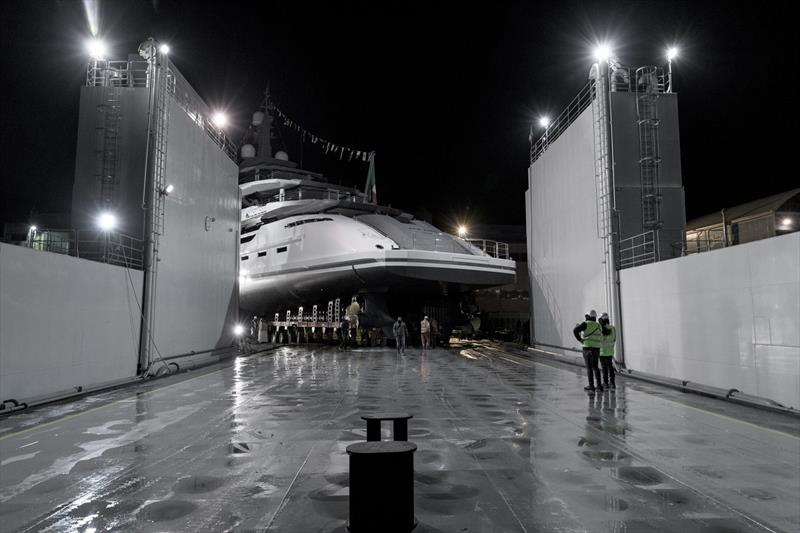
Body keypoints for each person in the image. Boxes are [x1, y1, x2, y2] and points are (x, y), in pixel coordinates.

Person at [573, 309, 603, 392]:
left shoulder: (585, 324)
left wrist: (580, 339)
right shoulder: (598, 325)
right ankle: (599, 386)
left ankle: (591, 386)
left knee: (589, 368)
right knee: (596, 367)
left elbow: (575, 331)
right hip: (596, 348)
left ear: (587, 316)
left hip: (587, 348)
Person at [599, 312, 616, 390]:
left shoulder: (600, 328)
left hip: (602, 352)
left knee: (604, 368)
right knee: (610, 367)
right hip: (610, 351)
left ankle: (605, 383)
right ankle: (612, 383)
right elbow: (614, 339)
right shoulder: (612, 328)